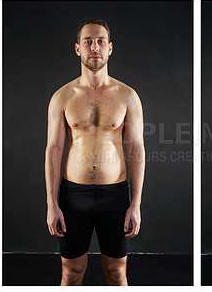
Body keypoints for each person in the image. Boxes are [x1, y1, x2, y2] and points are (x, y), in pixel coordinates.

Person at [45, 17, 145, 286]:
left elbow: (136, 149)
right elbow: (53, 149)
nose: (95, 47)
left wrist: (135, 204)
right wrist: (51, 203)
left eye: (100, 41)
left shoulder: (127, 96)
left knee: (116, 273)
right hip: (72, 197)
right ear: (78, 49)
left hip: (114, 197)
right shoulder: (62, 97)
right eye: (88, 41)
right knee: (71, 273)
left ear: (110, 48)